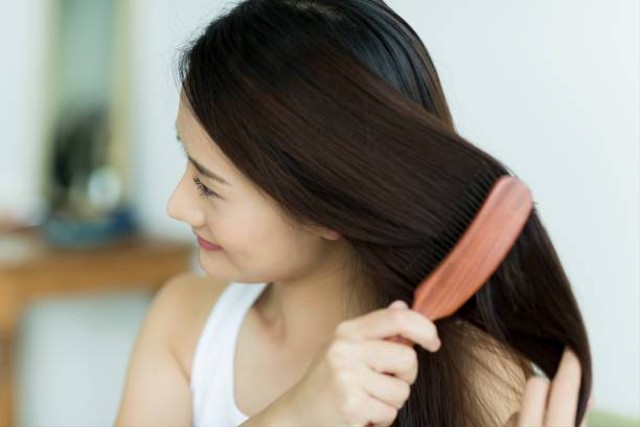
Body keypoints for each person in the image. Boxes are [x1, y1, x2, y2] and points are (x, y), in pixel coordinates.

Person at [116, 1, 593, 426]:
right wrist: (295, 415)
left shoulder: (476, 379)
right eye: (187, 159)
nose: (176, 206)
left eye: (207, 185)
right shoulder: (185, 322)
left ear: (329, 206)